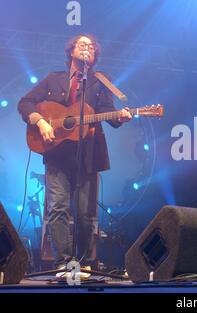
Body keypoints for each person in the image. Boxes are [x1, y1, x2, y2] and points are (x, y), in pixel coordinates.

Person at [17, 34, 132, 270]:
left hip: (88, 156)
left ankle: (86, 264)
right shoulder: (53, 79)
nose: (87, 48)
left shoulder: (101, 81)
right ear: (71, 51)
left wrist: (120, 116)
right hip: (57, 155)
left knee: (84, 213)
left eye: (91, 46)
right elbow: (25, 103)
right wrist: (40, 122)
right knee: (58, 207)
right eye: (82, 45)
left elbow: (107, 111)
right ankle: (63, 263)